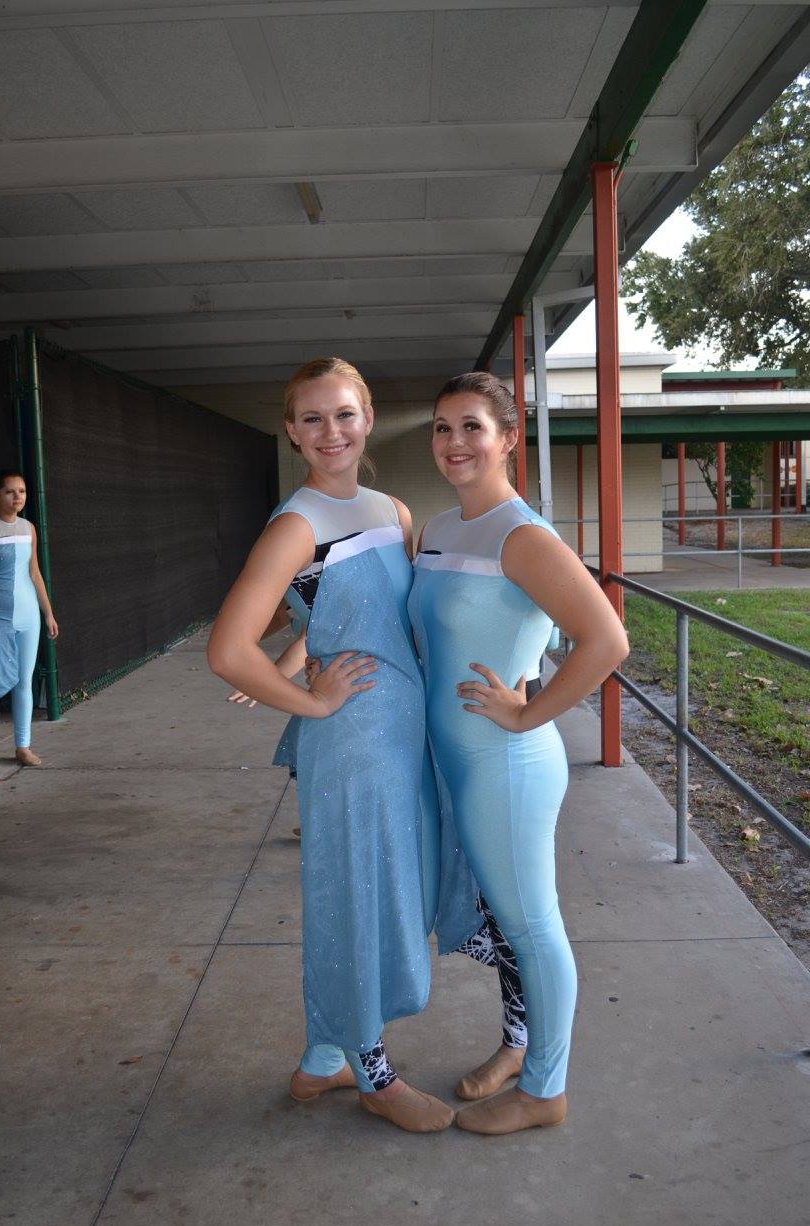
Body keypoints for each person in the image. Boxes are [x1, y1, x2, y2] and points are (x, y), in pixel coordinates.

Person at [207, 357, 453, 1133]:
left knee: (395, 889)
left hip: (404, 739)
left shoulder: (393, 511)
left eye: (344, 414)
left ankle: (323, 1059)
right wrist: (312, 699)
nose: (330, 431)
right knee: (357, 897)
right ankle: (374, 1074)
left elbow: (373, 617)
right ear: (291, 431)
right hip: (350, 745)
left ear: (368, 418)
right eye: (311, 418)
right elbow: (228, 649)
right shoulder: (296, 525)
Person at [407, 372, 629, 1135]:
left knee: (532, 928)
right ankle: (518, 1049)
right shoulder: (439, 526)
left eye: (472, 427)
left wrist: (529, 711)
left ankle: (544, 1091)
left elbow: (606, 641)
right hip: (454, 762)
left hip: (505, 764)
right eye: (442, 428)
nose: (455, 443)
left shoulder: (522, 536)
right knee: (506, 924)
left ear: (507, 438)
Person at [0, 471, 58, 773]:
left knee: (23, 681)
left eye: (21, 491)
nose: (17, 497)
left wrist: (48, 613)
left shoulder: (29, 528)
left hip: (29, 616)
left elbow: (34, 573)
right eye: (9, 491)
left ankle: (23, 746)